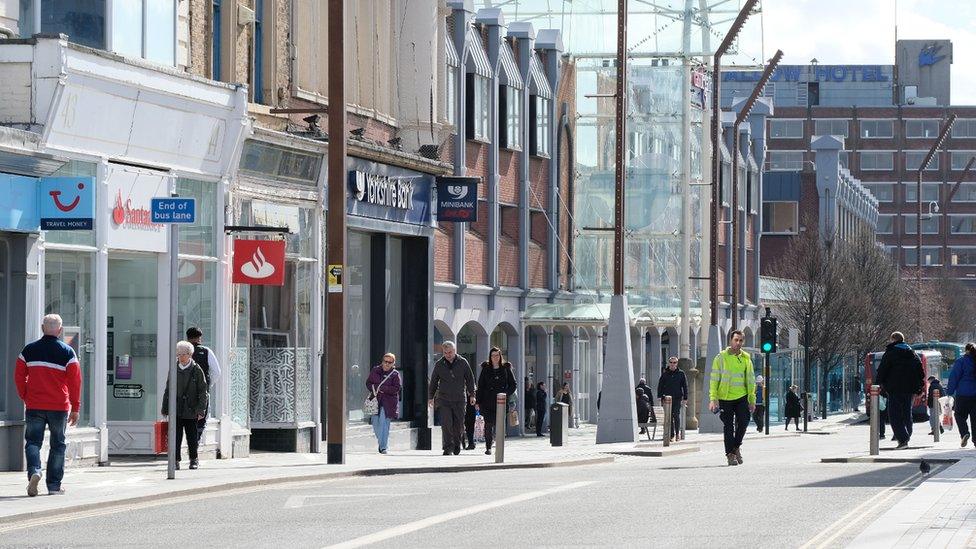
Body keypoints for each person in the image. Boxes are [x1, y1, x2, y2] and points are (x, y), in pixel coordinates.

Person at [15, 314, 82, 496]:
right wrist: (75, 407)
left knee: (33, 442)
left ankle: (35, 471)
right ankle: (53, 486)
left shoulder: (28, 350)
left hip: (35, 404)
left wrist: (26, 396)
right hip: (59, 406)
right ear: (60, 331)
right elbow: (75, 382)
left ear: (42, 328)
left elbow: (19, 376)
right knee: (58, 444)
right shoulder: (68, 352)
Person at [709, 330, 756, 466]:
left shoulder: (746, 358)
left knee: (744, 422)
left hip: (742, 397)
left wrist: (752, 400)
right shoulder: (721, 357)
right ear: (731, 340)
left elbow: (751, 380)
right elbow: (714, 379)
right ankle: (730, 454)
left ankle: (736, 446)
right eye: (736, 340)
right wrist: (713, 398)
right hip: (725, 398)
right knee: (728, 426)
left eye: (741, 340)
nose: (738, 343)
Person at [161, 341, 209, 470]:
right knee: (175, 436)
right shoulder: (174, 368)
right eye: (179, 354)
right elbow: (168, 389)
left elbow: (203, 391)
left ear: (190, 354)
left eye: (184, 354)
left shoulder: (196, 369)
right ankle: (175, 460)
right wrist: (165, 408)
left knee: (192, 437)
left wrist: (200, 410)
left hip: (191, 409)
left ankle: (194, 459)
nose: (181, 357)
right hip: (175, 408)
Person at [875, 331, 924, 450]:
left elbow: (882, 370)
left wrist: (879, 384)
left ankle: (903, 439)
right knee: (907, 413)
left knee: (894, 415)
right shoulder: (912, 353)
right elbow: (920, 372)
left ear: (893, 340)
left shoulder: (890, 353)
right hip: (910, 389)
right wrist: (919, 387)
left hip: (894, 388)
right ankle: (907, 434)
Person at [428, 341, 475, 455]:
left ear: (454, 351)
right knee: (446, 423)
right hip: (444, 399)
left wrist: (472, 394)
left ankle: (457, 444)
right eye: (445, 353)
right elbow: (434, 381)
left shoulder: (463, 362)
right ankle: (448, 447)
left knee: (458, 424)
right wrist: (431, 397)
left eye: (450, 352)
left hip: (459, 398)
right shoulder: (439, 364)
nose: (448, 355)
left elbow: (470, 379)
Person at [475, 347, 517, 455]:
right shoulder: (486, 368)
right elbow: (481, 385)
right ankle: (488, 447)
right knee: (488, 424)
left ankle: (499, 445)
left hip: (501, 402)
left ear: (500, 356)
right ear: (490, 357)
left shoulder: (506, 368)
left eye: (497, 355)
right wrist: (478, 402)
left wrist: (505, 393)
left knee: (499, 425)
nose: (495, 358)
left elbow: (513, 384)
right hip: (487, 401)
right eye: (493, 355)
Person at [185, 327, 221, 446]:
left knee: (186, 419)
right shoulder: (206, 351)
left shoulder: (182, 352)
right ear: (200, 338)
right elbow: (217, 372)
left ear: (187, 338)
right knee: (201, 419)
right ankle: (195, 444)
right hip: (202, 393)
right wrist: (208, 385)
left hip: (185, 393)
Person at [366, 353, 402, 454]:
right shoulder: (375, 370)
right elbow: (368, 383)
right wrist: (374, 389)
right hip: (376, 400)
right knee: (375, 422)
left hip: (388, 403)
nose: (386, 364)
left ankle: (383, 447)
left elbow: (396, 388)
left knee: (384, 423)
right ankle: (381, 442)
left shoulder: (395, 374)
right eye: (385, 361)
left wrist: (382, 388)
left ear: (393, 363)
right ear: (382, 361)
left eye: (389, 362)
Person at [948, 343, 976, 448]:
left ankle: (964, 433)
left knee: (959, 415)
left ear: (966, 350)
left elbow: (954, 377)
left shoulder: (961, 361)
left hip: (963, 394)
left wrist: (949, 392)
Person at [657, 357, 688, 441]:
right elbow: (660, 385)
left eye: (674, 362)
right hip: (667, 399)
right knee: (669, 417)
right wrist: (659, 396)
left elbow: (685, 386)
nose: (672, 364)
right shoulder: (665, 373)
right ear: (668, 363)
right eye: (671, 362)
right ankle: (671, 435)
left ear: (677, 363)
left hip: (677, 398)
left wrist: (685, 398)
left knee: (676, 415)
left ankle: (677, 433)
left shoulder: (681, 373)